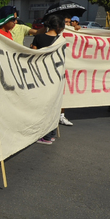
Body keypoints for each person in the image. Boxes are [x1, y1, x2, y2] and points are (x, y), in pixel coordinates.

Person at [31, 15, 66, 145]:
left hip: (41, 76)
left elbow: (33, 55)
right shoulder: (61, 40)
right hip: (56, 76)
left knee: (43, 106)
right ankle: (50, 135)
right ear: (59, 26)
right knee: (53, 105)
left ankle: (44, 136)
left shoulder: (39, 38)